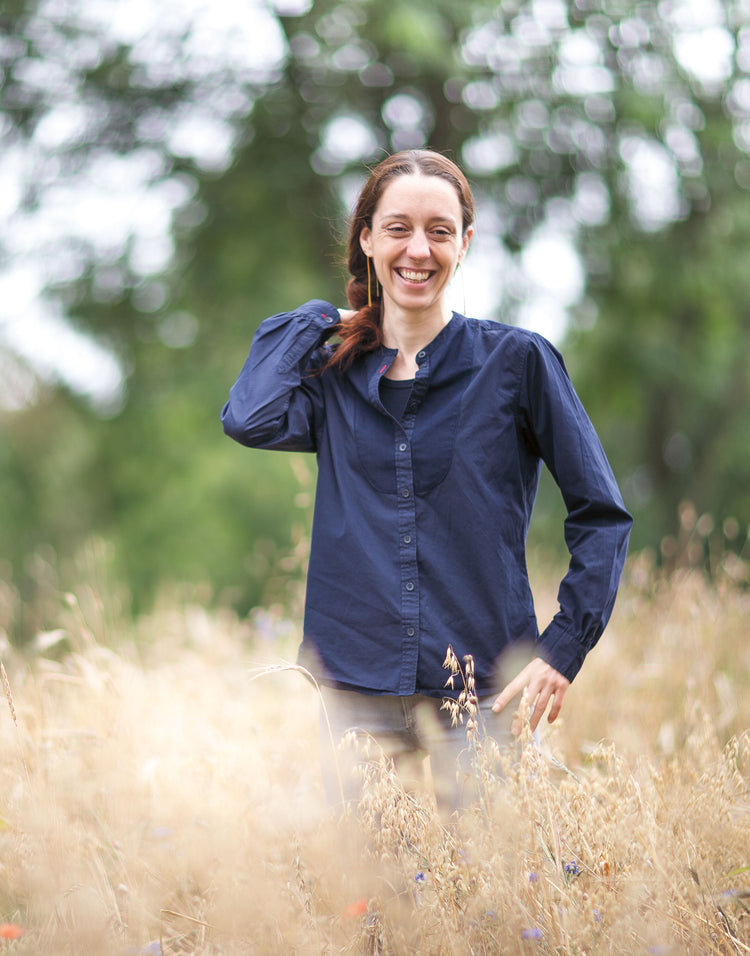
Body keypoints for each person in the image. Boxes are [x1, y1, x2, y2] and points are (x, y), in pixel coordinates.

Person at [221, 149, 632, 813]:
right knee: (370, 912)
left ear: (465, 244)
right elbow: (248, 417)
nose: (419, 249)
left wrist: (563, 648)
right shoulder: (333, 379)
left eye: (440, 231)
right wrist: (321, 320)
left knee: (482, 910)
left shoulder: (517, 362)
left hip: (480, 699)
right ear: (366, 239)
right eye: (398, 229)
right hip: (354, 695)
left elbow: (602, 514)